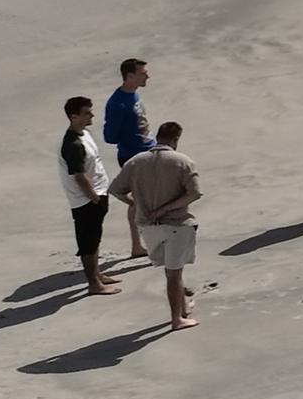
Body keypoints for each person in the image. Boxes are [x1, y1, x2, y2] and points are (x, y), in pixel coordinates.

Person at [116, 120, 205, 332]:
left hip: (148, 227)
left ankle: (183, 304)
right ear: (176, 139)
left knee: (170, 269)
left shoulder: (136, 161)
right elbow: (195, 193)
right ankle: (177, 319)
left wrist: (136, 204)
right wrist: (166, 208)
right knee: (173, 273)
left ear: (157, 137)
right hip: (176, 224)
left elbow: (116, 190)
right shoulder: (183, 161)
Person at [56, 96, 119, 295]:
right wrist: (93, 197)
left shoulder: (84, 133)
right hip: (85, 200)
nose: (92, 115)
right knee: (88, 243)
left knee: (95, 237)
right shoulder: (72, 144)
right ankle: (94, 284)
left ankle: (97, 275)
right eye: (87, 112)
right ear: (74, 116)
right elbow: (79, 176)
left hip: (98, 193)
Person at [101, 59, 155, 263]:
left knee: (150, 198)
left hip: (147, 151)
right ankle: (138, 244)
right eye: (142, 73)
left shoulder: (134, 95)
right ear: (130, 76)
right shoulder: (118, 103)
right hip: (133, 156)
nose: (147, 76)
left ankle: (143, 242)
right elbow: (110, 136)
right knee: (140, 201)